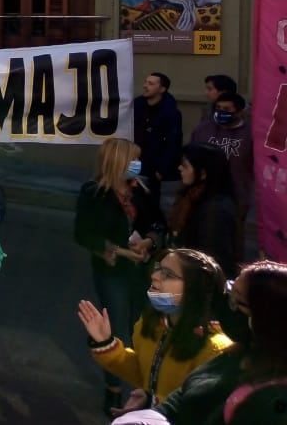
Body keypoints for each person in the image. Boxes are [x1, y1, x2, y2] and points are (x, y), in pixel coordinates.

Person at [111, 260, 287, 425]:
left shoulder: (269, 402)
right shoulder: (237, 353)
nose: (155, 277)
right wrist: (149, 410)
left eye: (236, 301)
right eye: (230, 290)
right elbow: (183, 400)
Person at [78, 248, 233, 414]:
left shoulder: (216, 349)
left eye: (167, 274)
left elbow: (202, 409)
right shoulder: (151, 324)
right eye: (158, 269)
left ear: (195, 290)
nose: (154, 276)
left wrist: (152, 403)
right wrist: (106, 343)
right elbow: (144, 373)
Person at [75, 137, 165, 413]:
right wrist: (120, 252)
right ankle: (113, 388)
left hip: (145, 271)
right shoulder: (94, 193)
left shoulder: (142, 189)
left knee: (145, 327)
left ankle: (145, 387)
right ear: (117, 162)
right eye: (133, 160)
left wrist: (149, 241)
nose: (138, 164)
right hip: (112, 272)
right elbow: (83, 234)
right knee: (116, 329)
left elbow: (158, 222)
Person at [190, 92, 252, 254]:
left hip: (236, 195)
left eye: (227, 109)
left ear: (239, 112)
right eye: (218, 108)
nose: (221, 112)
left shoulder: (250, 135)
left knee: (232, 238)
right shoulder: (202, 130)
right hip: (202, 192)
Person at [168, 142, 239, 279]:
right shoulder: (190, 196)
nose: (179, 168)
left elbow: (212, 258)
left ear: (203, 173)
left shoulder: (215, 208)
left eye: (185, 165)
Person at [133, 72, 183, 209]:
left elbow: (173, 142)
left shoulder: (171, 113)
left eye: (150, 83)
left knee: (157, 203)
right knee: (135, 197)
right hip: (137, 162)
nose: (145, 86)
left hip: (159, 167)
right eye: (145, 82)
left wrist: (162, 169)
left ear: (162, 89)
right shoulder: (137, 106)